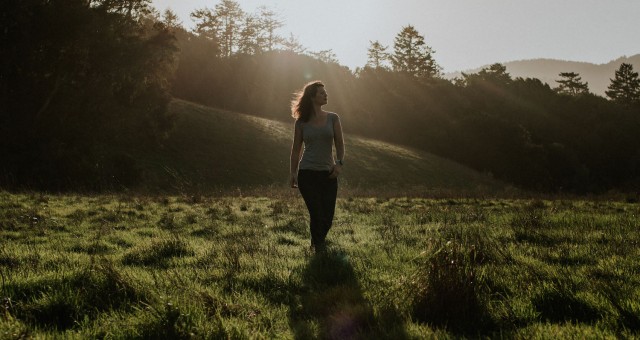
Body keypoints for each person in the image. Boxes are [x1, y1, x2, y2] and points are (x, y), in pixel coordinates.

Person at [289, 81, 345, 251]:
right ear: (312, 97)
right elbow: (296, 150)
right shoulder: (301, 122)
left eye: (325, 92)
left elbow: (340, 145)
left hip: (328, 174)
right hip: (307, 174)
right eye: (321, 93)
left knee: (327, 216)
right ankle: (318, 250)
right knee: (317, 213)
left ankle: (315, 244)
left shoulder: (333, 118)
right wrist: (293, 172)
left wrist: (339, 164)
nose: (325, 95)